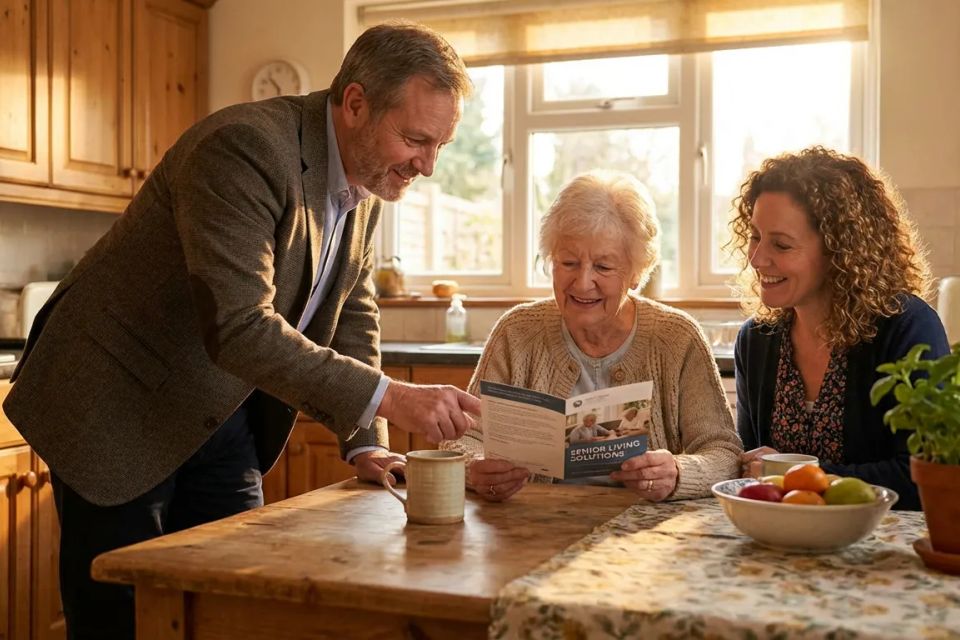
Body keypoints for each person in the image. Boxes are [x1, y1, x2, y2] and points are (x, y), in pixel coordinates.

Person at [2, 22, 480, 640]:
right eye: (416, 139)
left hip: (219, 404)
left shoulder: (364, 179)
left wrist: (368, 440)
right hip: (114, 400)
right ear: (356, 103)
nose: (429, 166)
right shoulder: (244, 148)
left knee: (233, 595)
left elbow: (352, 310)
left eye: (440, 144)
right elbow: (239, 325)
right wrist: (391, 395)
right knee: (124, 615)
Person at [442, 170, 742, 502]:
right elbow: (463, 437)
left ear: (636, 273)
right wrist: (475, 466)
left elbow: (724, 452)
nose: (583, 283)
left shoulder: (677, 339)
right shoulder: (517, 333)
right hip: (535, 526)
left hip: (646, 533)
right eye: (568, 262)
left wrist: (678, 472)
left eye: (603, 267)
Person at [730, 146, 948, 510]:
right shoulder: (756, 340)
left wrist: (802, 475)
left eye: (781, 244)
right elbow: (752, 467)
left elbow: (923, 477)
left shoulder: (906, 327)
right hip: (781, 541)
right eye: (755, 236)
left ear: (840, 250)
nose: (757, 258)